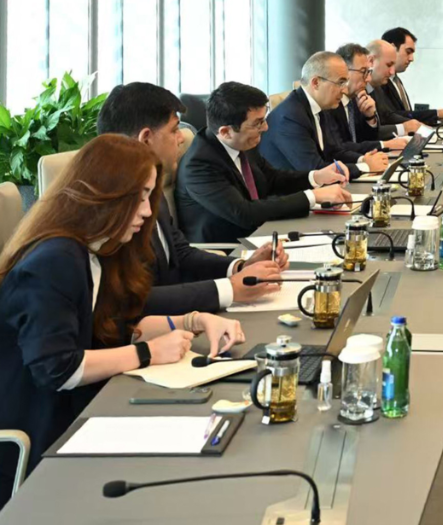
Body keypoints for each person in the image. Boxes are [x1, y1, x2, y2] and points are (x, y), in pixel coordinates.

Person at [0, 136, 245, 505]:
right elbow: (58, 369)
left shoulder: (97, 249)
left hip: (80, 414)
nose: (147, 212)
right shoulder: (54, 260)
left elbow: (114, 328)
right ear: (105, 194)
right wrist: (147, 354)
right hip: (39, 442)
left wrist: (195, 320)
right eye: (140, 196)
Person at [96, 83, 288, 314]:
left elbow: (181, 253)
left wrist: (241, 266)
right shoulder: (108, 207)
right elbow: (131, 299)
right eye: (174, 130)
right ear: (145, 138)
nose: (181, 138)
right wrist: (229, 289)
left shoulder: (150, 185)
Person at [175, 82, 351, 245]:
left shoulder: (242, 142)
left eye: (264, 119)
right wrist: (313, 196)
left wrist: (316, 176)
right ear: (226, 132)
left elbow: (272, 178)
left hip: (262, 235)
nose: (266, 127)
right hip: (229, 250)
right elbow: (245, 213)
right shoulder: (199, 165)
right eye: (257, 123)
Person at [258, 51, 388, 176]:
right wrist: (365, 167)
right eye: (340, 82)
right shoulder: (290, 117)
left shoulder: (320, 106)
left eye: (346, 82)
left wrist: (362, 159)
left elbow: (333, 151)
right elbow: (315, 170)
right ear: (316, 83)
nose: (344, 90)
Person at [329, 43, 409, 157]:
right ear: (344, 71)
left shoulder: (356, 99)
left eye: (369, 72)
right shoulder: (330, 104)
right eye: (364, 72)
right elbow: (341, 147)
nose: (368, 79)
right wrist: (383, 144)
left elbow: (363, 139)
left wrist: (370, 118)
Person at [379, 28, 443, 124]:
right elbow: (391, 116)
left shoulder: (397, 81)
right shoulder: (379, 82)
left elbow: (407, 116)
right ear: (392, 48)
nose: (411, 58)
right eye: (408, 52)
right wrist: (437, 113)